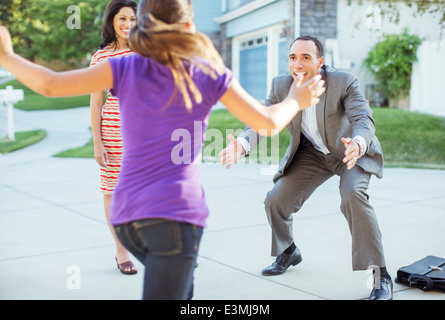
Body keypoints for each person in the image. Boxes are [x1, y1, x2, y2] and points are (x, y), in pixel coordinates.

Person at [0, 0, 325, 300]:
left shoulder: (124, 67)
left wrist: (7, 56)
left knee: (183, 289)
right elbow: (267, 123)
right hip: (173, 219)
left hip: (127, 219)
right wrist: (297, 99)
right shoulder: (207, 73)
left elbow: (50, 84)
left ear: (142, 25)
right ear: (188, 27)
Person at [219, 35, 393, 300]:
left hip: (349, 152)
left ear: (320, 62)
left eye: (305, 57)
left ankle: (380, 276)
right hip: (312, 153)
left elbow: (363, 119)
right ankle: (288, 252)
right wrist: (241, 145)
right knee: (275, 201)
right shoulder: (281, 86)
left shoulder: (343, 82)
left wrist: (358, 143)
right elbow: (260, 121)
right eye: (292, 57)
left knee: (353, 196)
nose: (297, 64)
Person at [89, 0, 138, 275]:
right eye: (122, 19)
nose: (127, 24)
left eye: (132, 19)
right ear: (112, 21)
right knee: (112, 192)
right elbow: (96, 104)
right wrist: (98, 142)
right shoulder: (101, 58)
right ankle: (121, 250)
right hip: (113, 135)